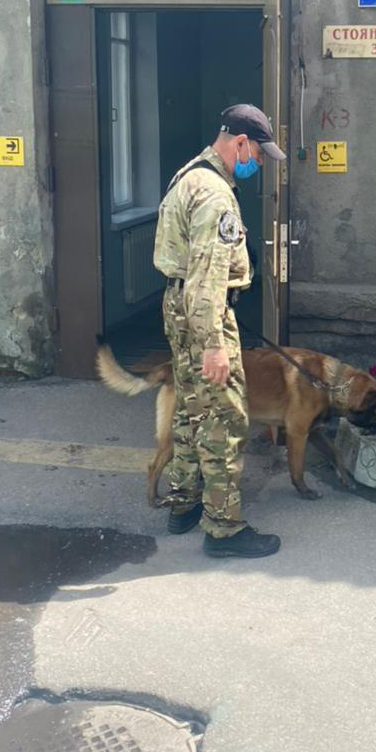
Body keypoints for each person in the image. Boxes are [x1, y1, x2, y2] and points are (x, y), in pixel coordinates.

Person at [152, 104, 285, 558]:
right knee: (224, 418)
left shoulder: (191, 174)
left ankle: (184, 503)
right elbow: (207, 275)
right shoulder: (214, 195)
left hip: (180, 306)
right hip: (204, 311)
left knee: (192, 407)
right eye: (259, 154)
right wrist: (214, 344)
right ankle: (224, 529)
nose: (259, 163)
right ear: (241, 142)